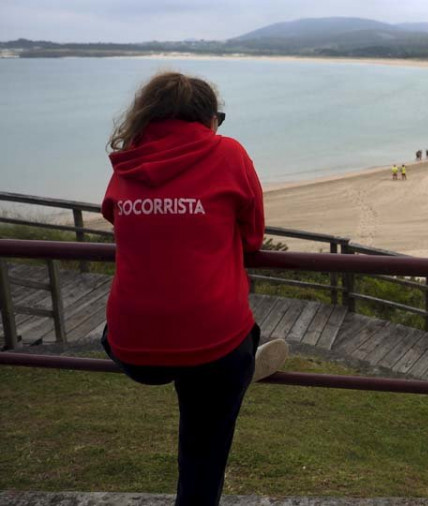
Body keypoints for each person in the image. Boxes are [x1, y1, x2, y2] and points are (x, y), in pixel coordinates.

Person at [100, 72, 289, 506]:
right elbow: (254, 238)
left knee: (129, 338)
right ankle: (244, 370)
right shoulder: (229, 153)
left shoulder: (127, 162)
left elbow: (114, 215)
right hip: (213, 345)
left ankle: (219, 367)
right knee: (203, 447)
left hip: (132, 348)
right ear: (208, 118)